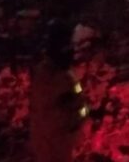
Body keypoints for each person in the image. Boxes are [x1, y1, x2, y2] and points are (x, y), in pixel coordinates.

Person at [29, 20, 88, 162]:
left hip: (67, 136)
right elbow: (49, 114)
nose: (72, 51)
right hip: (55, 139)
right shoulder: (47, 76)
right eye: (68, 47)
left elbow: (77, 97)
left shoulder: (65, 72)